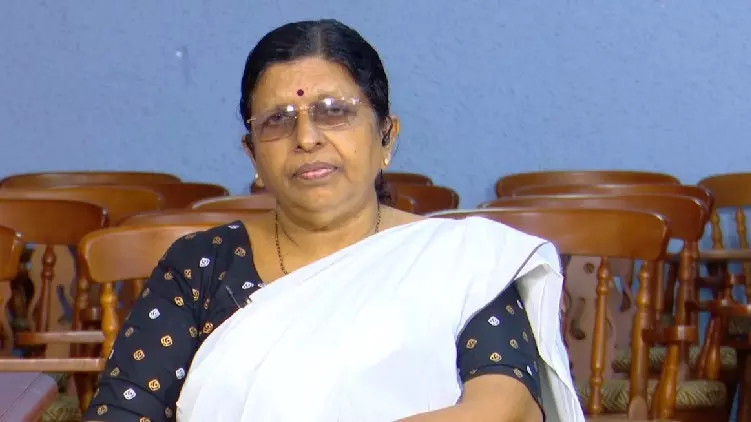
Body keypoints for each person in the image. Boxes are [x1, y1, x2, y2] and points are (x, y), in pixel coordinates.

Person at [84, 19, 582, 422]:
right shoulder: (202, 265)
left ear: (386, 136)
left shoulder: (466, 262)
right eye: (278, 120)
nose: (307, 138)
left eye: (334, 112)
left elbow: (505, 408)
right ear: (253, 155)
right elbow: (122, 411)